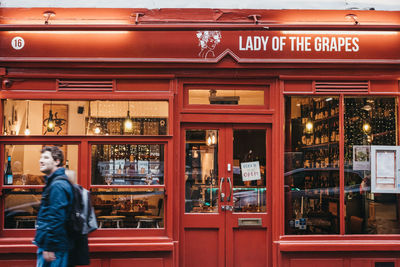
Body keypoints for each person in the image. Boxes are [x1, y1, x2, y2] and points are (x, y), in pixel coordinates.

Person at [34, 146, 74, 267]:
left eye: (46, 157)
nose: (41, 160)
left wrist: (49, 246)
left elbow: (57, 218)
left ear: (57, 161)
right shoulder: (54, 182)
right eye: (41, 157)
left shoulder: (57, 185)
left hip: (54, 248)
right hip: (51, 244)